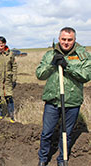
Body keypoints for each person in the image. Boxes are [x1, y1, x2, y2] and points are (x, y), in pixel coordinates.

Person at [36, 27, 91, 166]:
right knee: (46, 133)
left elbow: (86, 76)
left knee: (65, 134)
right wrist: (52, 65)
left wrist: (68, 67)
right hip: (53, 101)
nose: (66, 42)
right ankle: (43, 159)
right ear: (59, 39)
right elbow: (40, 74)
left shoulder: (82, 55)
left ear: (74, 40)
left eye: (69, 40)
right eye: (63, 39)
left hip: (72, 102)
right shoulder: (50, 54)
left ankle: (62, 159)